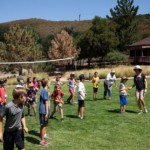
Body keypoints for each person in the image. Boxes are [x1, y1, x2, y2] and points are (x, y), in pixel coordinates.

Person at [39, 78, 50, 146]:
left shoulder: (44, 91)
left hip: (42, 110)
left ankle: (43, 139)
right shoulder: (45, 91)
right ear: (46, 84)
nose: (49, 83)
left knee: (44, 125)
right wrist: (47, 112)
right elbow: (46, 102)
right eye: (49, 82)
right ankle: (42, 141)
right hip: (44, 111)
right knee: (43, 126)